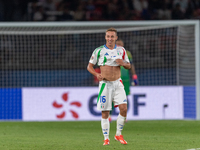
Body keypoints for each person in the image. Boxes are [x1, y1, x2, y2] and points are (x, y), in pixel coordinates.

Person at [87, 27, 131, 145]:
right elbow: (89, 66)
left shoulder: (121, 50)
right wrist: (96, 74)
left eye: (112, 36)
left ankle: (118, 135)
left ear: (116, 38)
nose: (110, 39)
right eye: (108, 36)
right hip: (105, 85)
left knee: (124, 109)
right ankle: (106, 138)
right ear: (105, 37)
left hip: (118, 83)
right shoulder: (99, 51)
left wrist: (123, 63)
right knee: (105, 112)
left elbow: (129, 66)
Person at [108, 39, 138, 122]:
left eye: (121, 44)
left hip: (125, 79)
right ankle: (109, 115)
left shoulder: (127, 53)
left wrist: (134, 76)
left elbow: (131, 65)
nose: (119, 45)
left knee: (124, 98)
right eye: (117, 44)